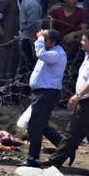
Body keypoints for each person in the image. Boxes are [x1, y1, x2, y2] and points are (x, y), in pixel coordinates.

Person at [43, 31, 89, 176]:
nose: (81, 42)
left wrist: (77, 96)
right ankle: (55, 162)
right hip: (85, 102)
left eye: (84, 40)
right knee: (72, 134)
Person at [23, 30, 66, 168]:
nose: (42, 41)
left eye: (45, 39)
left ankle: (33, 158)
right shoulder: (51, 52)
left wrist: (40, 38)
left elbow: (40, 53)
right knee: (40, 125)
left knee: (34, 125)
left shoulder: (55, 54)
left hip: (46, 93)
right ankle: (65, 148)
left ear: (52, 41)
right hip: (42, 93)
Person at [19, 0, 43, 74]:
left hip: (26, 38)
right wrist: (34, 48)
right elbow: (32, 27)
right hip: (29, 40)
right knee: (29, 67)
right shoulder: (33, 4)